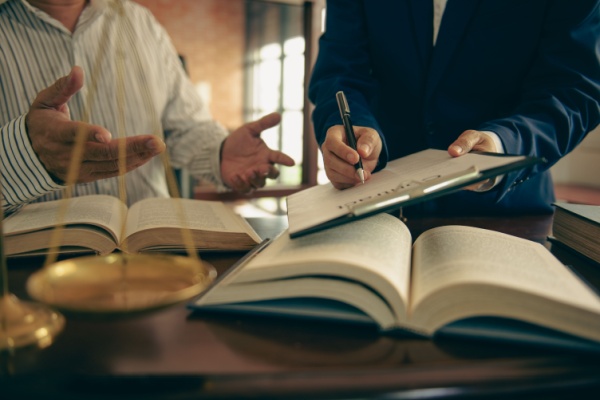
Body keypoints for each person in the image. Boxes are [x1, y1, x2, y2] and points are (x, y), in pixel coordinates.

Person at [0, 0, 294, 216]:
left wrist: (220, 151)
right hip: (25, 268)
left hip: (151, 250)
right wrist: (27, 153)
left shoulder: (141, 22)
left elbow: (186, 127)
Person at [309, 0, 600, 216]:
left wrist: (501, 146)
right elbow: (340, 71)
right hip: (379, 206)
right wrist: (350, 128)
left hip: (510, 212)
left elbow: (573, 89)